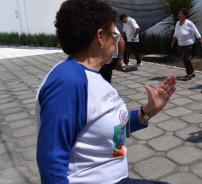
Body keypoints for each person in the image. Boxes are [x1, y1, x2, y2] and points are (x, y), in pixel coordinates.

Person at [35, 0, 176, 183]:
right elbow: (51, 161)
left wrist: (146, 112)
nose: (117, 42)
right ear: (100, 37)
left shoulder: (93, 75)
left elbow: (106, 127)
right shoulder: (68, 81)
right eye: (114, 35)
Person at [171, 8, 202, 81]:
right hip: (181, 45)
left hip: (189, 44)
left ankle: (189, 74)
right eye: (178, 13)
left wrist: (201, 42)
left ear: (185, 16)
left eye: (180, 14)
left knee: (186, 58)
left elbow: (196, 32)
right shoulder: (177, 23)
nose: (178, 15)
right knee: (185, 59)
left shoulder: (189, 23)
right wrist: (173, 43)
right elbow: (175, 34)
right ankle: (191, 73)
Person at [100, 12, 125, 83]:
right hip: (109, 58)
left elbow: (121, 42)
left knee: (104, 81)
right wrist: (119, 59)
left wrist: (119, 59)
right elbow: (121, 41)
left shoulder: (108, 25)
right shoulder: (110, 25)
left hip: (106, 59)